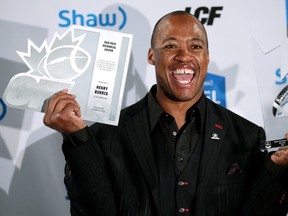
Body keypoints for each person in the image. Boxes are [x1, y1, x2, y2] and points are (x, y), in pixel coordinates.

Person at [43, 10, 288, 216]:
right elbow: (94, 210)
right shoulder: (106, 136)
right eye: (171, 45)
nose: (184, 56)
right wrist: (77, 138)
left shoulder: (247, 135)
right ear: (152, 56)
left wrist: (278, 167)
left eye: (195, 46)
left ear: (207, 57)